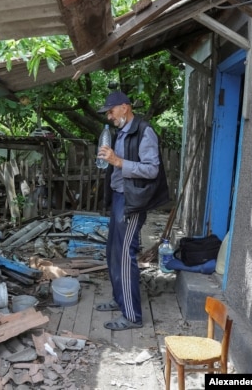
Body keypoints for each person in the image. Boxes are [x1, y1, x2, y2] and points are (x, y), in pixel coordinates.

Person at [95, 91, 169, 330]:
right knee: (113, 252)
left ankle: (132, 316)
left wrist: (118, 161)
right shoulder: (120, 133)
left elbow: (152, 170)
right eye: (107, 112)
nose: (109, 116)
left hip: (132, 201)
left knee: (126, 255)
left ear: (124, 107)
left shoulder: (144, 132)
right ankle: (121, 300)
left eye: (111, 110)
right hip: (119, 198)